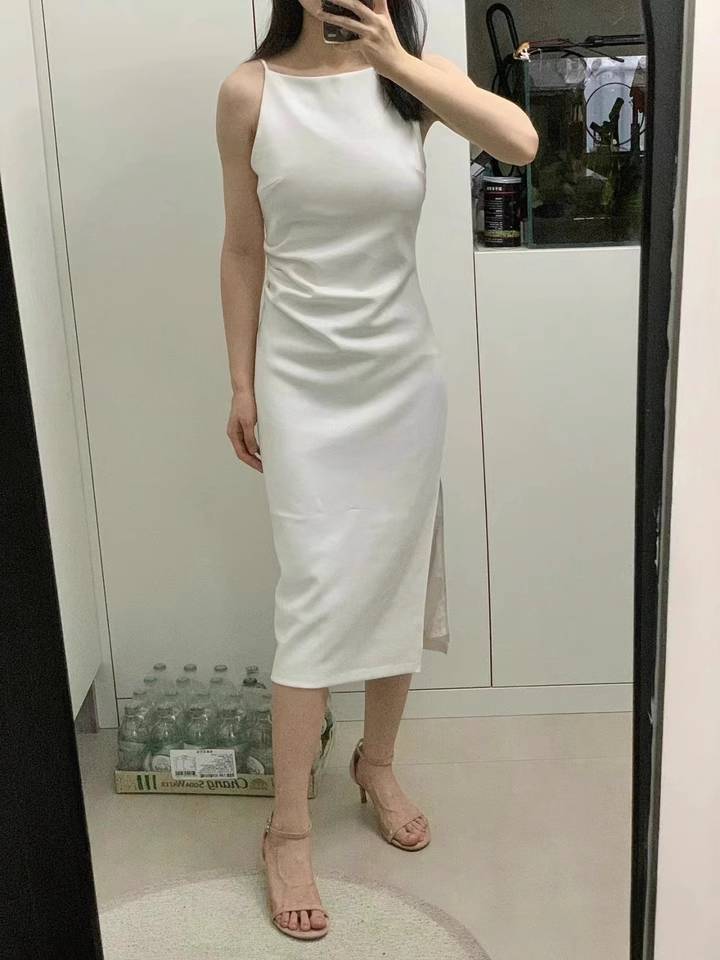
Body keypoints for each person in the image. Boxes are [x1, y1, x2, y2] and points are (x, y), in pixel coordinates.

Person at [215, 0, 537, 941]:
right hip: (301, 382)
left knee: (398, 572)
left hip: (401, 379)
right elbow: (243, 246)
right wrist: (241, 382)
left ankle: (377, 763)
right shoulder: (249, 93)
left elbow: (519, 143)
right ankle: (287, 828)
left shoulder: (409, 84)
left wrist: (400, 63)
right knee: (315, 591)